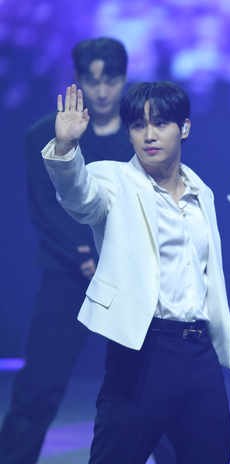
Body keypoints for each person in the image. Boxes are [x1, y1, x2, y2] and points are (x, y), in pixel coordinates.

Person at [41, 81, 230, 463]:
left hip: (199, 352)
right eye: (138, 125)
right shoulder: (113, 179)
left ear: (184, 127)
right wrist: (65, 148)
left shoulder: (202, 192)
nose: (149, 135)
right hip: (142, 351)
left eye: (160, 123)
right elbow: (79, 197)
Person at [0, 37, 141, 464]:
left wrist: (112, 258)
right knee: (38, 387)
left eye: (110, 79)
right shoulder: (43, 134)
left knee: (150, 388)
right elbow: (46, 209)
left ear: (124, 78)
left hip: (131, 277)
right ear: (78, 79)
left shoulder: (141, 134)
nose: (102, 90)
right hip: (67, 275)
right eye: (92, 80)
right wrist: (85, 254)